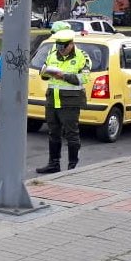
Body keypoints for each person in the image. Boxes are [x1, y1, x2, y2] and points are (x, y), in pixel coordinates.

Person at [36, 29, 91, 174]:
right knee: (53, 132)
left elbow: (84, 78)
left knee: (71, 133)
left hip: (70, 101)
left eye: (63, 47)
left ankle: (73, 166)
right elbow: (43, 74)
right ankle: (53, 164)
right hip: (52, 99)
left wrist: (63, 76)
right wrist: (46, 74)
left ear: (71, 44)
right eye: (58, 46)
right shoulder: (52, 54)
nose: (60, 50)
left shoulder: (82, 56)